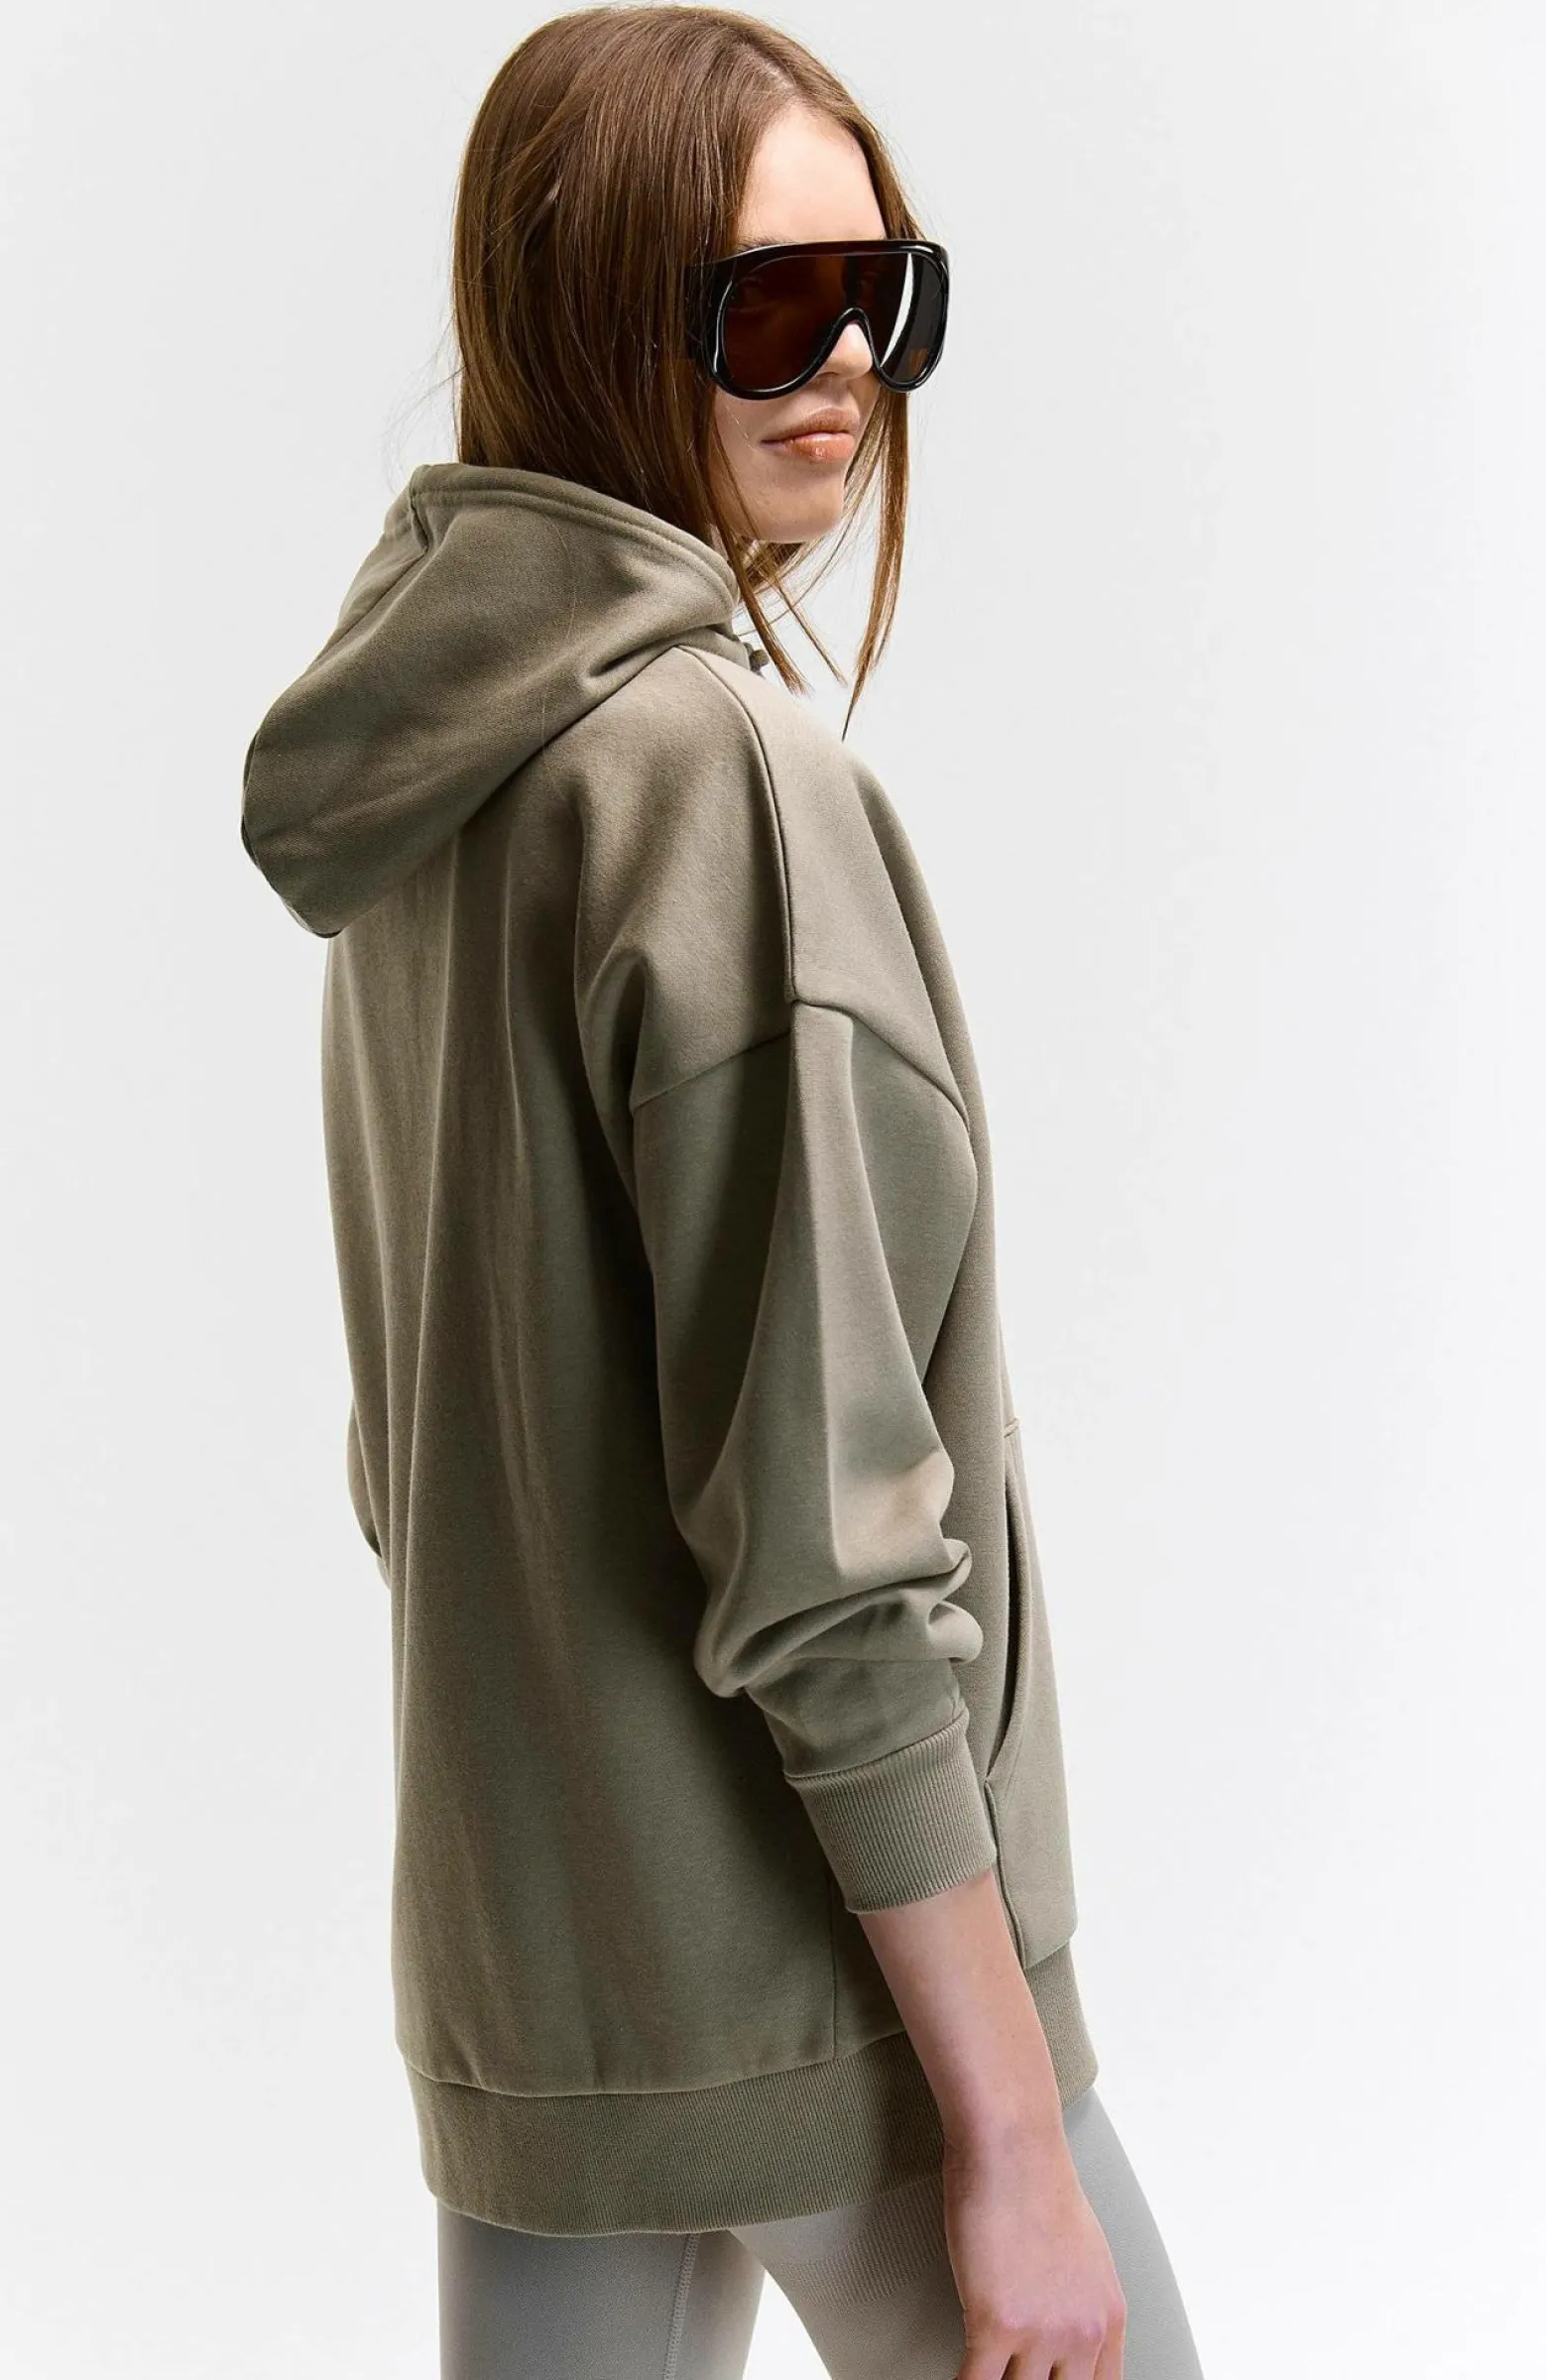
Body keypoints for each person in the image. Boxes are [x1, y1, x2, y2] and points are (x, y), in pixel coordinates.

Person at [240, 9, 1205, 2376]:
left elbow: (418, 1463)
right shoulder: (718, 782)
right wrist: (1007, 2126)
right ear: (592, 312)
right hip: (828, 1998)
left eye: (889, 296)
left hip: (544, 1992)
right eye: (774, 304)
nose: (849, 366)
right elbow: (833, 1556)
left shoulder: (436, 783)